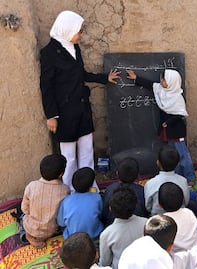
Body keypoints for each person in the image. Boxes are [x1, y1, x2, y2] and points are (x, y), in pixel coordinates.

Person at [39, 10, 120, 192]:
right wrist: (51, 115)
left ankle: (90, 187)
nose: (81, 34)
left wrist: (104, 78)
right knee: (69, 157)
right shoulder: (49, 53)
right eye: (79, 30)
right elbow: (46, 86)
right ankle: (70, 191)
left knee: (86, 153)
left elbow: (81, 74)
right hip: (64, 112)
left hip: (82, 108)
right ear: (67, 29)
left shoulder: (74, 48)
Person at [126, 68, 196, 184]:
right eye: (162, 79)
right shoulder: (162, 90)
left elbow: (180, 115)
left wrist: (168, 123)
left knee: (183, 156)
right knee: (172, 156)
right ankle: (177, 176)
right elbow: (150, 84)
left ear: (172, 81)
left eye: (164, 79)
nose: (162, 81)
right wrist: (136, 78)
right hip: (168, 132)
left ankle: (190, 178)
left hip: (177, 132)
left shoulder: (177, 97)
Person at [21, 154, 70, 248]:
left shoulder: (32, 186)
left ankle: (28, 236)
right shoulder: (65, 190)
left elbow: (25, 209)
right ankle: (40, 237)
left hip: (31, 228)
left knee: (22, 217)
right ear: (61, 174)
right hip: (52, 230)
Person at [99, 186, 148, 269]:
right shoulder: (146, 223)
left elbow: (105, 262)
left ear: (110, 208)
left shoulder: (107, 234)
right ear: (135, 205)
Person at [57, 167, 103, 239]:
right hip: (94, 235)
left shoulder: (66, 200)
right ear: (91, 185)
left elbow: (61, 223)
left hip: (72, 237)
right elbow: (100, 215)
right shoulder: (97, 197)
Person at [144, 145, 190, 216]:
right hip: (180, 214)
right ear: (177, 164)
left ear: (158, 163)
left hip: (157, 217)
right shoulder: (183, 181)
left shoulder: (150, 183)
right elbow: (186, 202)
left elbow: (148, 207)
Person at [102, 157, 147, 226]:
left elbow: (104, 214)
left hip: (113, 226)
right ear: (137, 177)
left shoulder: (110, 189)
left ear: (117, 174)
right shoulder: (141, 191)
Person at [159, 182, 197, 252]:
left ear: (159, 204)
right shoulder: (188, 212)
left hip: (178, 257)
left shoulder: (161, 222)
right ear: (182, 200)